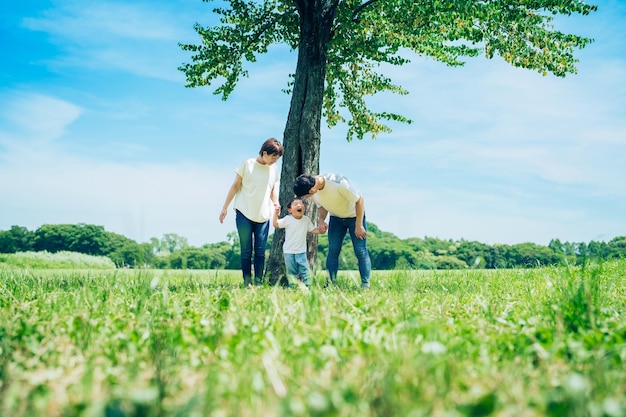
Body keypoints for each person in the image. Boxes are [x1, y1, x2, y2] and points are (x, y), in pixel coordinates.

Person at [219, 138, 284, 286]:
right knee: (246, 251)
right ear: (265, 153)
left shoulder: (273, 169)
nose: (275, 161)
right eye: (274, 157)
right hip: (244, 212)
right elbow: (235, 186)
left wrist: (275, 202)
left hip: (263, 215)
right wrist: (225, 207)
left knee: (260, 252)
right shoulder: (247, 164)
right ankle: (247, 283)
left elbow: (271, 189)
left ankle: (258, 283)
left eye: (278, 158)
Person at [293, 173, 371, 289]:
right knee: (333, 250)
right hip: (336, 218)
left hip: (355, 217)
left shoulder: (339, 183)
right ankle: (330, 284)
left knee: (360, 250)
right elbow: (322, 207)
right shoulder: (314, 190)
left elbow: (359, 200)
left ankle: (365, 285)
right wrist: (321, 220)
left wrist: (358, 225)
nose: (306, 199)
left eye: (306, 196)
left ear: (312, 190)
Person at [272, 197, 323, 287]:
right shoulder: (287, 219)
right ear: (290, 210)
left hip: (301, 251)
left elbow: (313, 230)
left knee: (305, 270)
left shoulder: (306, 220)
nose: (299, 205)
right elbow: (275, 224)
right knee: (291, 272)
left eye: (301, 204)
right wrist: (276, 214)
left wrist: (321, 230)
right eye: (295, 204)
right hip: (288, 251)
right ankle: (293, 287)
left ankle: (309, 286)